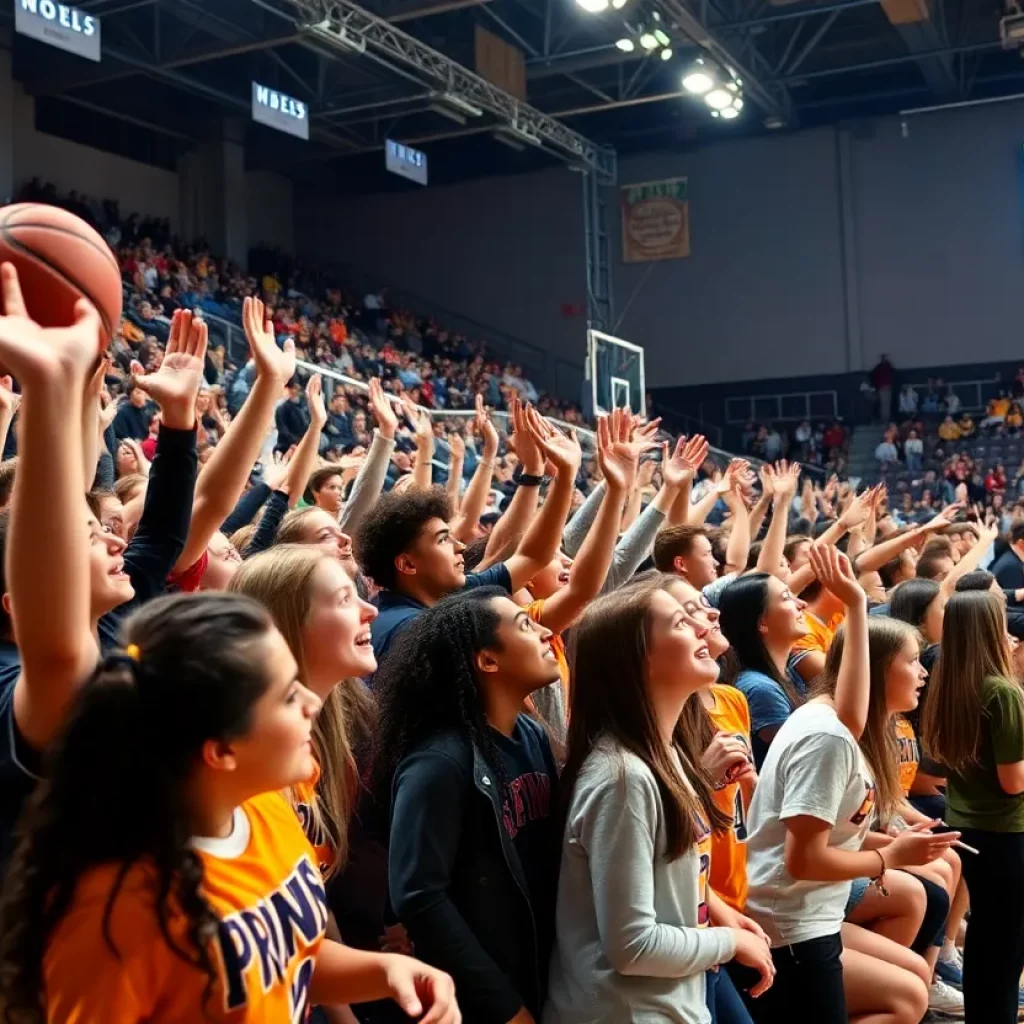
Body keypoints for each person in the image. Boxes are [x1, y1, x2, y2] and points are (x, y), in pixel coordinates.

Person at [0, 592, 460, 1023]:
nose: (310, 702)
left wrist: (382, 972)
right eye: (286, 694)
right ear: (220, 750)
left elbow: (284, 956)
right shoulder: (115, 913)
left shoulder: (265, 806)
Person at [744, 546, 959, 1024]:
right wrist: (890, 857)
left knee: (912, 979)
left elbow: (830, 829)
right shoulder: (826, 736)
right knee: (905, 999)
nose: (923, 672)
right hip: (789, 924)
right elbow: (802, 858)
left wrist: (896, 842)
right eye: (912, 661)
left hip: (812, 909)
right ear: (881, 671)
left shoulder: (843, 727)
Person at [545, 577, 774, 1024]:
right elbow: (632, 946)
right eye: (680, 622)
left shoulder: (665, 756)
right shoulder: (624, 779)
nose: (701, 626)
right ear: (639, 659)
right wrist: (729, 944)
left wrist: (717, 916)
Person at [374, 589, 562, 1024]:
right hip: (481, 1002)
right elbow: (419, 897)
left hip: (537, 976)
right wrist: (505, 1007)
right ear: (488, 661)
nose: (545, 631)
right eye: (524, 625)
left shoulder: (530, 735)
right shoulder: (438, 762)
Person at [356, 411, 580, 661]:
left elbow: (532, 556)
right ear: (407, 564)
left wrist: (554, 475)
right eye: (443, 539)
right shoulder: (405, 629)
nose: (461, 545)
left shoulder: (447, 594)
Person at [923, 589, 1024, 1024]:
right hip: (1007, 831)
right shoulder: (1003, 692)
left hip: (967, 827)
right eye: (1001, 624)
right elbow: (1013, 782)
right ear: (987, 632)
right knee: (1008, 950)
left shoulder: (947, 684)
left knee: (987, 938)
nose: (1011, 635)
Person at [718, 573, 809, 768]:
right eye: (786, 597)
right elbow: (807, 755)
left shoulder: (788, 672)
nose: (801, 604)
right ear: (762, 623)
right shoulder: (760, 688)